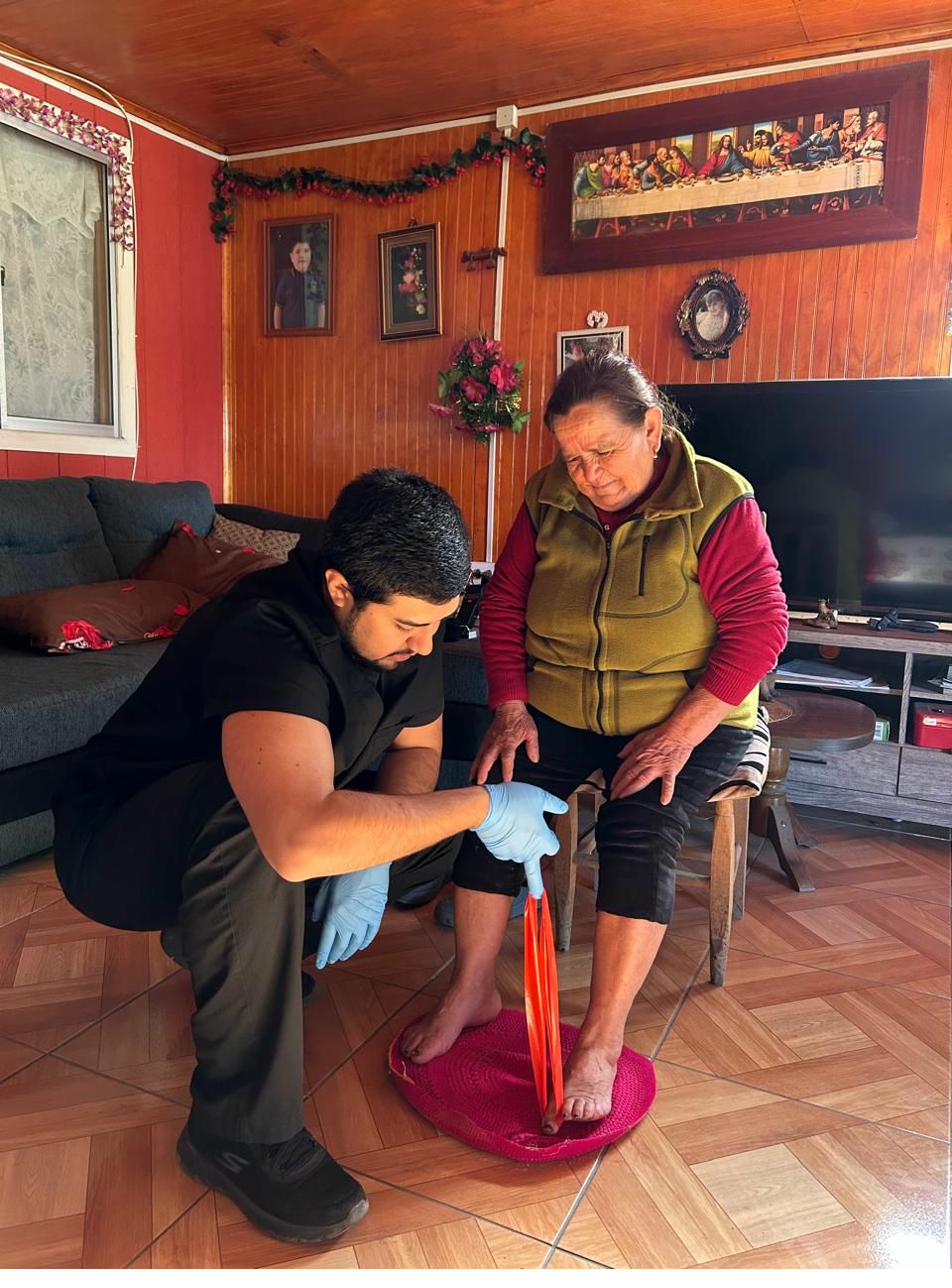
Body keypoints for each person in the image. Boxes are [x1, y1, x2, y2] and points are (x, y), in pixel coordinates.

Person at [52, 469, 566, 1245]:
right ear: (337, 589)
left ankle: (218, 940)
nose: (426, 646)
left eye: (441, 624)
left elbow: (418, 744)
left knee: (416, 840)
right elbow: (292, 834)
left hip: (245, 828)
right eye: (410, 628)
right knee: (268, 824)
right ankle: (237, 1133)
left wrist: (372, 860)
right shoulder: (267, 632)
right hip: (120, 843)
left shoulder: (408, 618)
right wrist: (487, 806)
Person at [402, 352, 787, 1133]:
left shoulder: (718, 500)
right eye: (572, 459)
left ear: (652, 429)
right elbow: (504, 605)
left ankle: (602, 1039)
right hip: (566, 702)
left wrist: (680, 733)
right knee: (494, 794)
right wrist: (510, 705)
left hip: (690, 706)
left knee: (641, 821)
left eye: (603, 454)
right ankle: (473, 988)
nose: (586, 476)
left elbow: (762, 628)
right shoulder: (547, 499)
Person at [273, 239, 326, 330]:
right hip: (289, 334)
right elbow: (278, 307)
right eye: (298, 252)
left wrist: (320, 331)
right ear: (291, 257)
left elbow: (320, 306)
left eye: (306, 251)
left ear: (310, 254)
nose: (302, 255)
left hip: (312, 333)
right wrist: (277, 332)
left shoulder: (316, 277)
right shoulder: (285, 279)